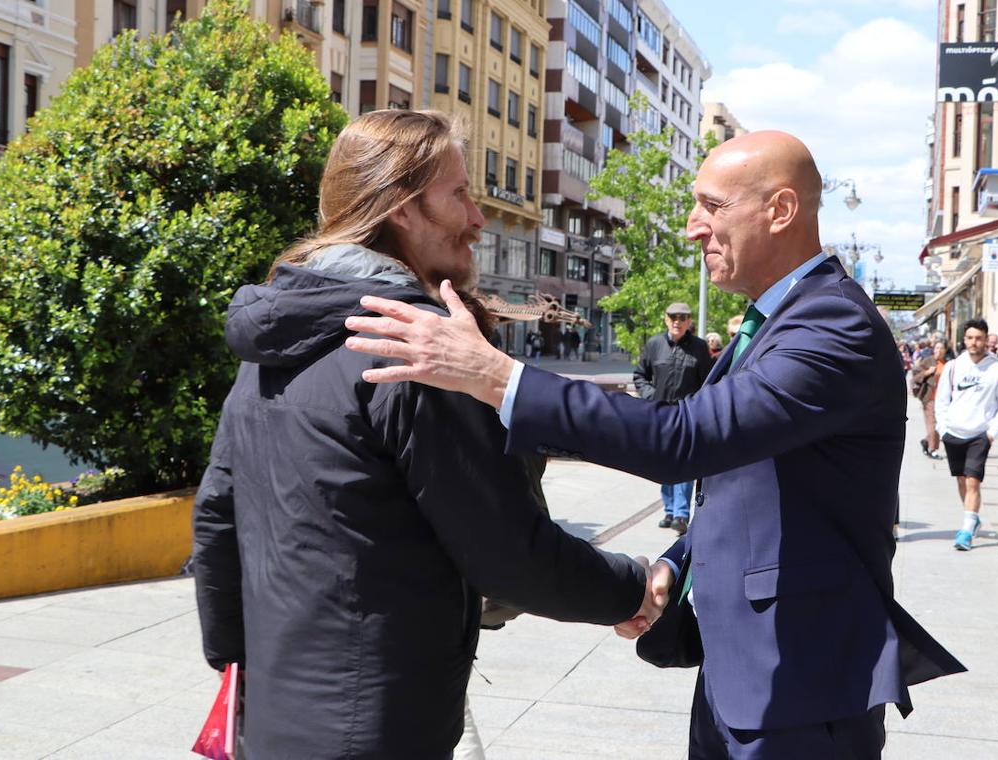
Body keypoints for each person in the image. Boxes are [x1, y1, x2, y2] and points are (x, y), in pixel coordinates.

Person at [343, 129, 964, 758]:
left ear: (780, 210)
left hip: (804, 683)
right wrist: (678, 561)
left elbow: (685, 438)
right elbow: (752, 483)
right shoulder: (778, 320)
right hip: (749, 672)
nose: (694, 228)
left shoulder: (833, 325)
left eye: (712, 207)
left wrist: (498, 377)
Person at [191, 110, 658, 759]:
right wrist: (633, 588)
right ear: (402, 210)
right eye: (459, 195)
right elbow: (506, 550)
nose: (478, 217)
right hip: (379, 725)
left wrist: (236, 666)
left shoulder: (273, 345)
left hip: (274, 717)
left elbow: (216, 518)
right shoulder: (412, 352)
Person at [634, 302, 714, 535]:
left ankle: (681, 514)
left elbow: (708, 382)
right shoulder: (654, 344)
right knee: (663, 464)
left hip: (686, 417)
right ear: (666, 319)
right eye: (673, 317)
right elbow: (640, 375)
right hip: (659, 416)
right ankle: (669, 510)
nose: (677, 321)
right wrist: (651, 397)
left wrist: (697, 408)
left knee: (683, 466)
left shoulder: (699, 348)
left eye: (683, 317)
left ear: (689, 321)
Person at [934, 318, 998, 551]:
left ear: (986, 340)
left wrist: (991, 433)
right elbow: (942, 400)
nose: (974, 342)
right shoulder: (953, 367)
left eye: (979, 338)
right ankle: (972, 517)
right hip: (954, 432)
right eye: (970, 338)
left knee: (972, 481)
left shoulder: (997, 370)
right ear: (964, 340)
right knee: (961, 480)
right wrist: (943, 428)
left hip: (980, 434)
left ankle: (966, 531)